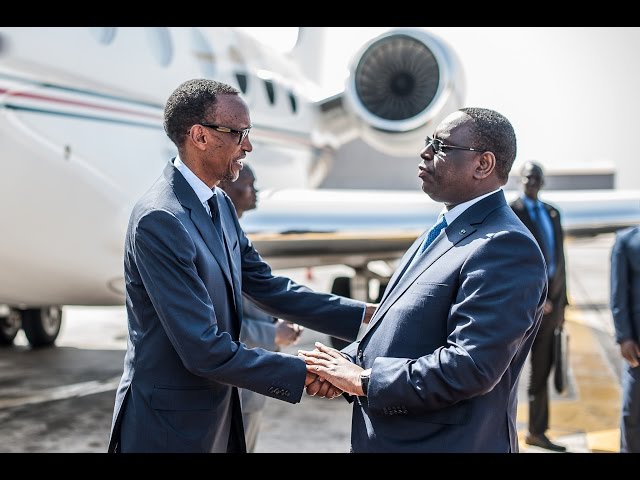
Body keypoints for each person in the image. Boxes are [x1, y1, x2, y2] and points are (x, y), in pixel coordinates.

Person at [108, 78, 375, 453]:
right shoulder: (160, 219)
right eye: (239, 133)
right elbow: (202, 348)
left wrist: (367, 316)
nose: (248, 146)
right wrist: (306, 374)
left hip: (216, 416)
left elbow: (267, 287)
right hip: (169, 429)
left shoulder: (218, 205)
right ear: (199, 136)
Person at [299, 107, 548, 453]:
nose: (425, 152)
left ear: (483, 165)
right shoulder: (446, 229)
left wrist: (364, 380)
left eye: (442, 146)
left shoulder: (504, 246)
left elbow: (471, 365)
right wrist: (339, 364)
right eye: (428, 141)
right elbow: (404, 332)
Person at [219, 163, 304, 453]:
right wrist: (272, 333)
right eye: (249, 184)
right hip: (231, 388)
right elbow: (213, 325)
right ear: (225, 187)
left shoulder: (234, 235)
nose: (255, 192)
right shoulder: (215, 241)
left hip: (249, 385)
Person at [509, 161, 568, 452]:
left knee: (541, 373)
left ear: (543, 182)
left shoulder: (552, 213)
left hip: (551, 312)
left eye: (536, 178)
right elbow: (511, 262)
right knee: (503, 373)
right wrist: (536, 297)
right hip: (524, 310)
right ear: (519, 180)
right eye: (527, 177)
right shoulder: (511, 212)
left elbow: (560, 261)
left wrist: (561, 304)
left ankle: (536, 431)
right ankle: (499, 432)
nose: (531, 182)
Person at [610, 225, 640, 453]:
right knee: (633, 411)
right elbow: (618, 293)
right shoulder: (626, 240)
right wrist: (624, 336)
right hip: (636, 343)